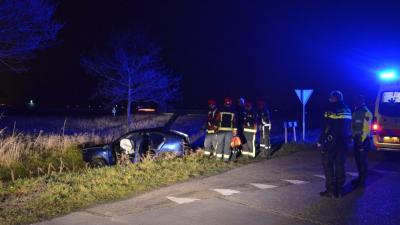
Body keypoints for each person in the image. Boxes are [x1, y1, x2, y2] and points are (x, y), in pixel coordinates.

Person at [317, 91, 352, 198]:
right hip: (344, 141)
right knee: (340, 165)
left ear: (333, 98)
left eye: (330, 98)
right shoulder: (347, 109)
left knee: (327, 165)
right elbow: (350, 126)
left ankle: (331, 190)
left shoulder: (330, 109)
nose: (329, 99)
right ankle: (339, 190)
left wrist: (321, 140)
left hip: (331, 141)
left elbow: (326, 126)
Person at [351, 95, 373, 187]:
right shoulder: (356, 111)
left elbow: (366, 129)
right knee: (357, 160)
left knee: (362, 160)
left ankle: (362, 180)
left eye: (356, 100)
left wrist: (361, 141)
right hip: (356, 139)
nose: (355, 102)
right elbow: (353, 126)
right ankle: (360, 177)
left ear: (361, 101)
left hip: (363, 140)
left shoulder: (366, 112)